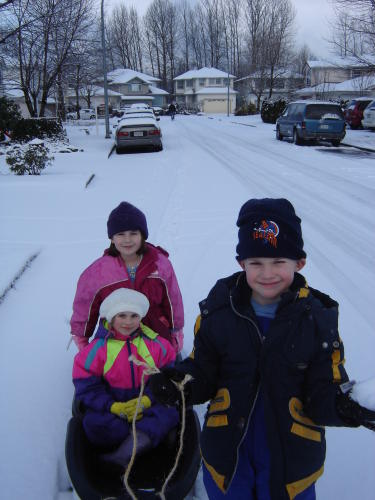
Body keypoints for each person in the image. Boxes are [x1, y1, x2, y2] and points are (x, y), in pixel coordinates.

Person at [148, 198, 375, 500]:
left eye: (279, 262)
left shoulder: (317, 320)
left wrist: (347, 407)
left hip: (291, 467)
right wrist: (180, 385)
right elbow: (203, 371)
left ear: (299, 263)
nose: (267, 274)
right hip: (228, 460)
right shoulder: (218, 312)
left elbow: (322, 393)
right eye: (256, 263)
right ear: (241, 264)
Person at [73, 288, 179, 466]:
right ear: (111, 318)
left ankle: (124, 453)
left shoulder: (157, 346)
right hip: (114, 406)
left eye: (133, 316)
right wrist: (113, 406)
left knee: (169, 414)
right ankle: (138, 441)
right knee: (93, 423)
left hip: (147, 404)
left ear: (141, 317)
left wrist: (147, 400)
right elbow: (87, 386)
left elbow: (167, 378)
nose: (128, 322)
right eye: (122, 315)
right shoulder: (98, 350)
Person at [70, 201, 184, 355]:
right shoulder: (98, 272)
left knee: (159, 365)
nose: (127, 240)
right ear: (112, 238)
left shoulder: (160, 265)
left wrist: (176, 330)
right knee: (117, 369)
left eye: (133, 233)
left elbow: (173, 300)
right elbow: (85, 306)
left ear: (142, 235)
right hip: (115, 332)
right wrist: (82, 337)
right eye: (121, 234)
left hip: (154, 329)